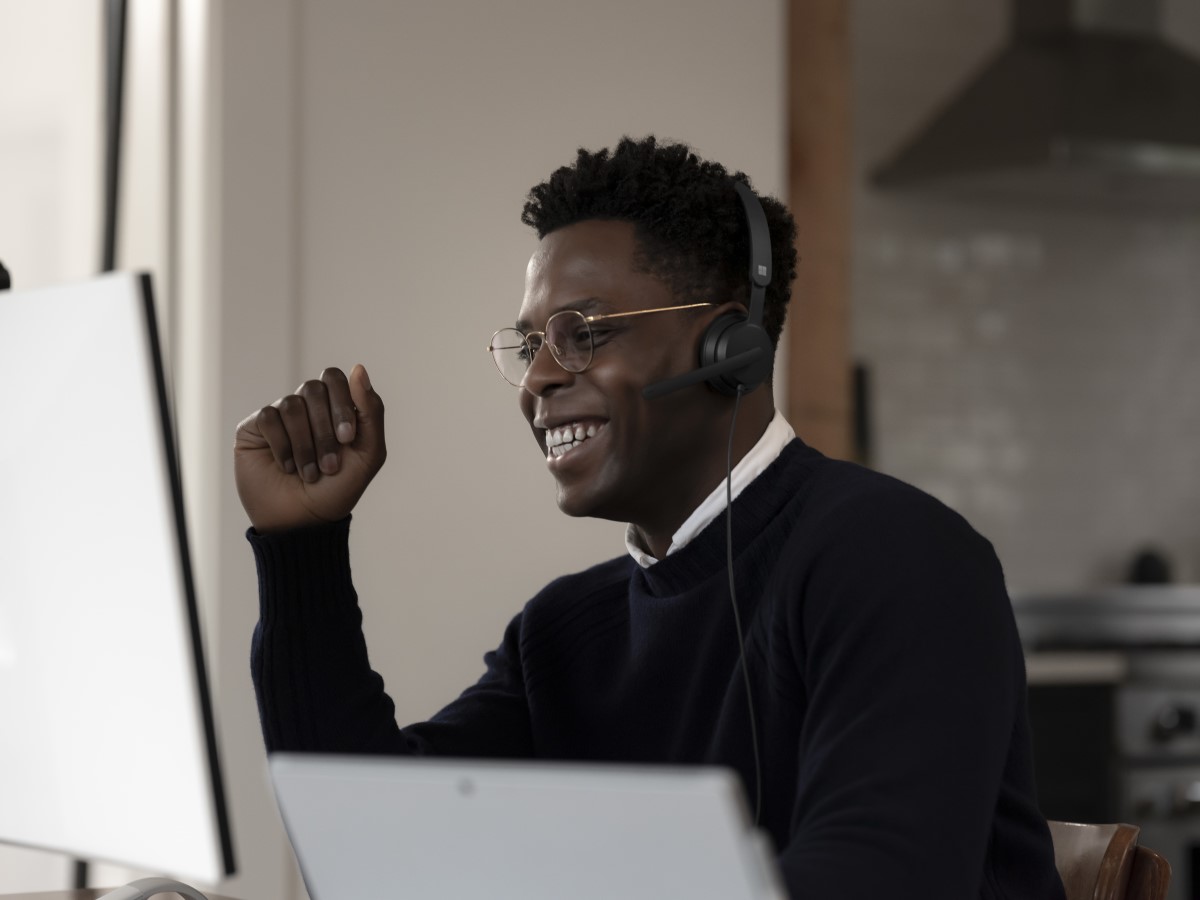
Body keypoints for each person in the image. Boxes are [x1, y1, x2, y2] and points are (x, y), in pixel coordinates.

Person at [236, 136, 1064, 899]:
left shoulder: (896, 559)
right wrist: (300, 545)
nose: (540, 380)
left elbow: (875, 882)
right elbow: (374, 847)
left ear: (726, 351)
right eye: (530, 347)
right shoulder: (561, 633)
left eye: (584, 332)